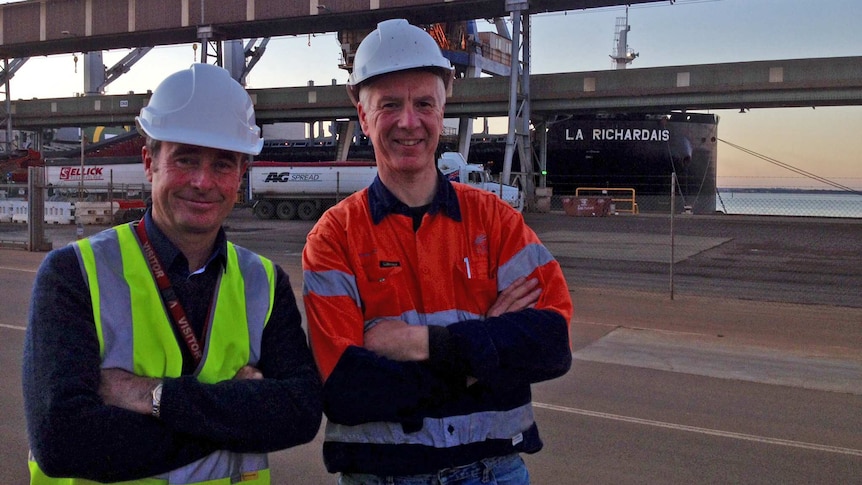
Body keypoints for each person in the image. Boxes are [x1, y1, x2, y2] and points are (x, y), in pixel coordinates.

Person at [302, 19, 573, 485]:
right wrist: (485, 349)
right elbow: (348, 390)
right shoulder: (334, 238)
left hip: (496, 473)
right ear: (362, 115)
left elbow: (551, 345)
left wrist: (418, 344)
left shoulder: (496, 221)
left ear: (443, 106)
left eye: (423, 103)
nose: (409, 121)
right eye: (389, 105)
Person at [23, 63, 322, 485]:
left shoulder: (265, 283)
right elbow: (63, 441)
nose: (203, 181)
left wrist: (156, 398)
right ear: (150, 161)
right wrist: (238, 412)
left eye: (222, 164)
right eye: (186, 158)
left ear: (241, 175)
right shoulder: (74, 275)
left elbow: (301, 414)